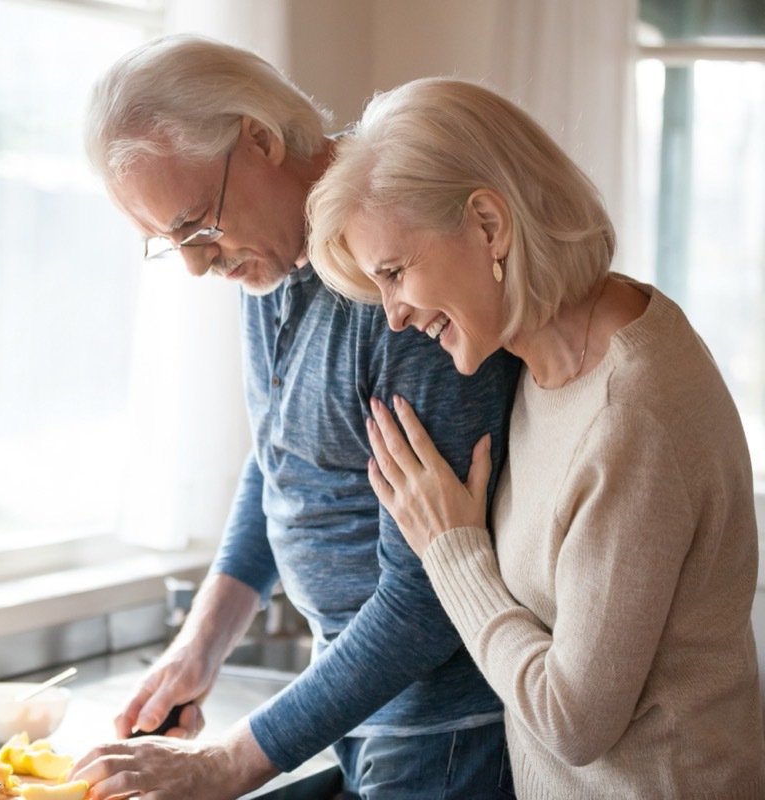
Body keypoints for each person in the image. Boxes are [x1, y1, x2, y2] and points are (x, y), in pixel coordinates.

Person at [72, 35, 522, 800]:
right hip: (356, 710)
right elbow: (283, 457)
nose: (194, 265)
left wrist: (226, 764)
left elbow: (430, 597)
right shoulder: (276, 258)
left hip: (441, 736)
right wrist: (200, 645)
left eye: (197, 226)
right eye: (167, 243)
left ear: (259, 139)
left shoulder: (404, 284)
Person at [305, 75, 765, 799]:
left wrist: (451, 552)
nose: (391, 316)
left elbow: (573, 719)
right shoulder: (539, 360)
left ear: (489, 225)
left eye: (394, 273)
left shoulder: (633, 414)